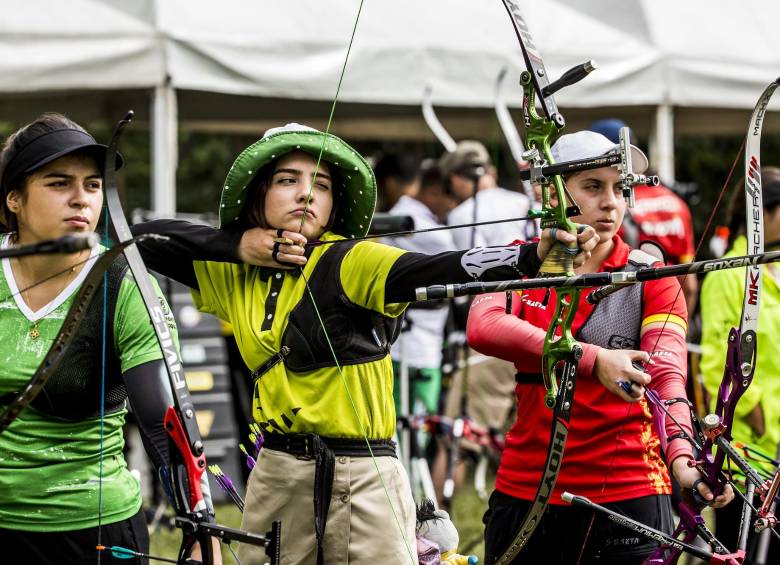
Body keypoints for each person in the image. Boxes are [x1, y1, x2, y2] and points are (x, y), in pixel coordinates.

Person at [129, 122, 598, 565]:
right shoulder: (233, 273)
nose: (307, 193)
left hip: (364, 474)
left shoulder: (353, 259)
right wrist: (238, 245)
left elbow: (440, 269)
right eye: (287, 180)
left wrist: (532, 255)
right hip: (276, 473)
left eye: (323, 185)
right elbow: (139, 240)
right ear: (260, 194)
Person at [467, 130, 734, 564]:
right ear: (550, 194)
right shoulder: (518, 263)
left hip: (630, 492)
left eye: (620, 188)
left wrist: (685, 461)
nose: (612, 202)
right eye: (593, 186)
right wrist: (592, 359)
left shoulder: (650, 276)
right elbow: (484, 325)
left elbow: (667, 378)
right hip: (527, 487)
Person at [0, 113, 216, 564]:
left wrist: (199, 523)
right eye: (59, 184)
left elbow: (165, 416)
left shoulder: (125, 283)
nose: (81, 199)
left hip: (94, 529)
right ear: (14, 199)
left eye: (93, 185)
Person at [699, 166, 780, 561]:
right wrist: (755, 411)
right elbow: (716, 360)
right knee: (742, 550)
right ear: (764, 213)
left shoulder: (775, 267)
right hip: (746, 445)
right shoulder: (729, 273)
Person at [589, 119, 698, 315]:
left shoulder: (613, 205)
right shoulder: (675, 203)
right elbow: (688, 285)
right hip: (667, 307)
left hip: (619, 311)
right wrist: (678, 329)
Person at [384, 160, 457, 418]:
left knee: (414, 427)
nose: (454, 207)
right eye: (452, 199)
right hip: (409, 349)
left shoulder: (410, 215)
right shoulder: (412, 219)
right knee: (406, 427)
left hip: (417, 346)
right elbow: (453, 253)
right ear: (435, 192)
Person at [442, 140, 534, 248]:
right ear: (492, 172)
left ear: (455, 179)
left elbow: (471, 261)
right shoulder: (527, 203)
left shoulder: (461, 215)